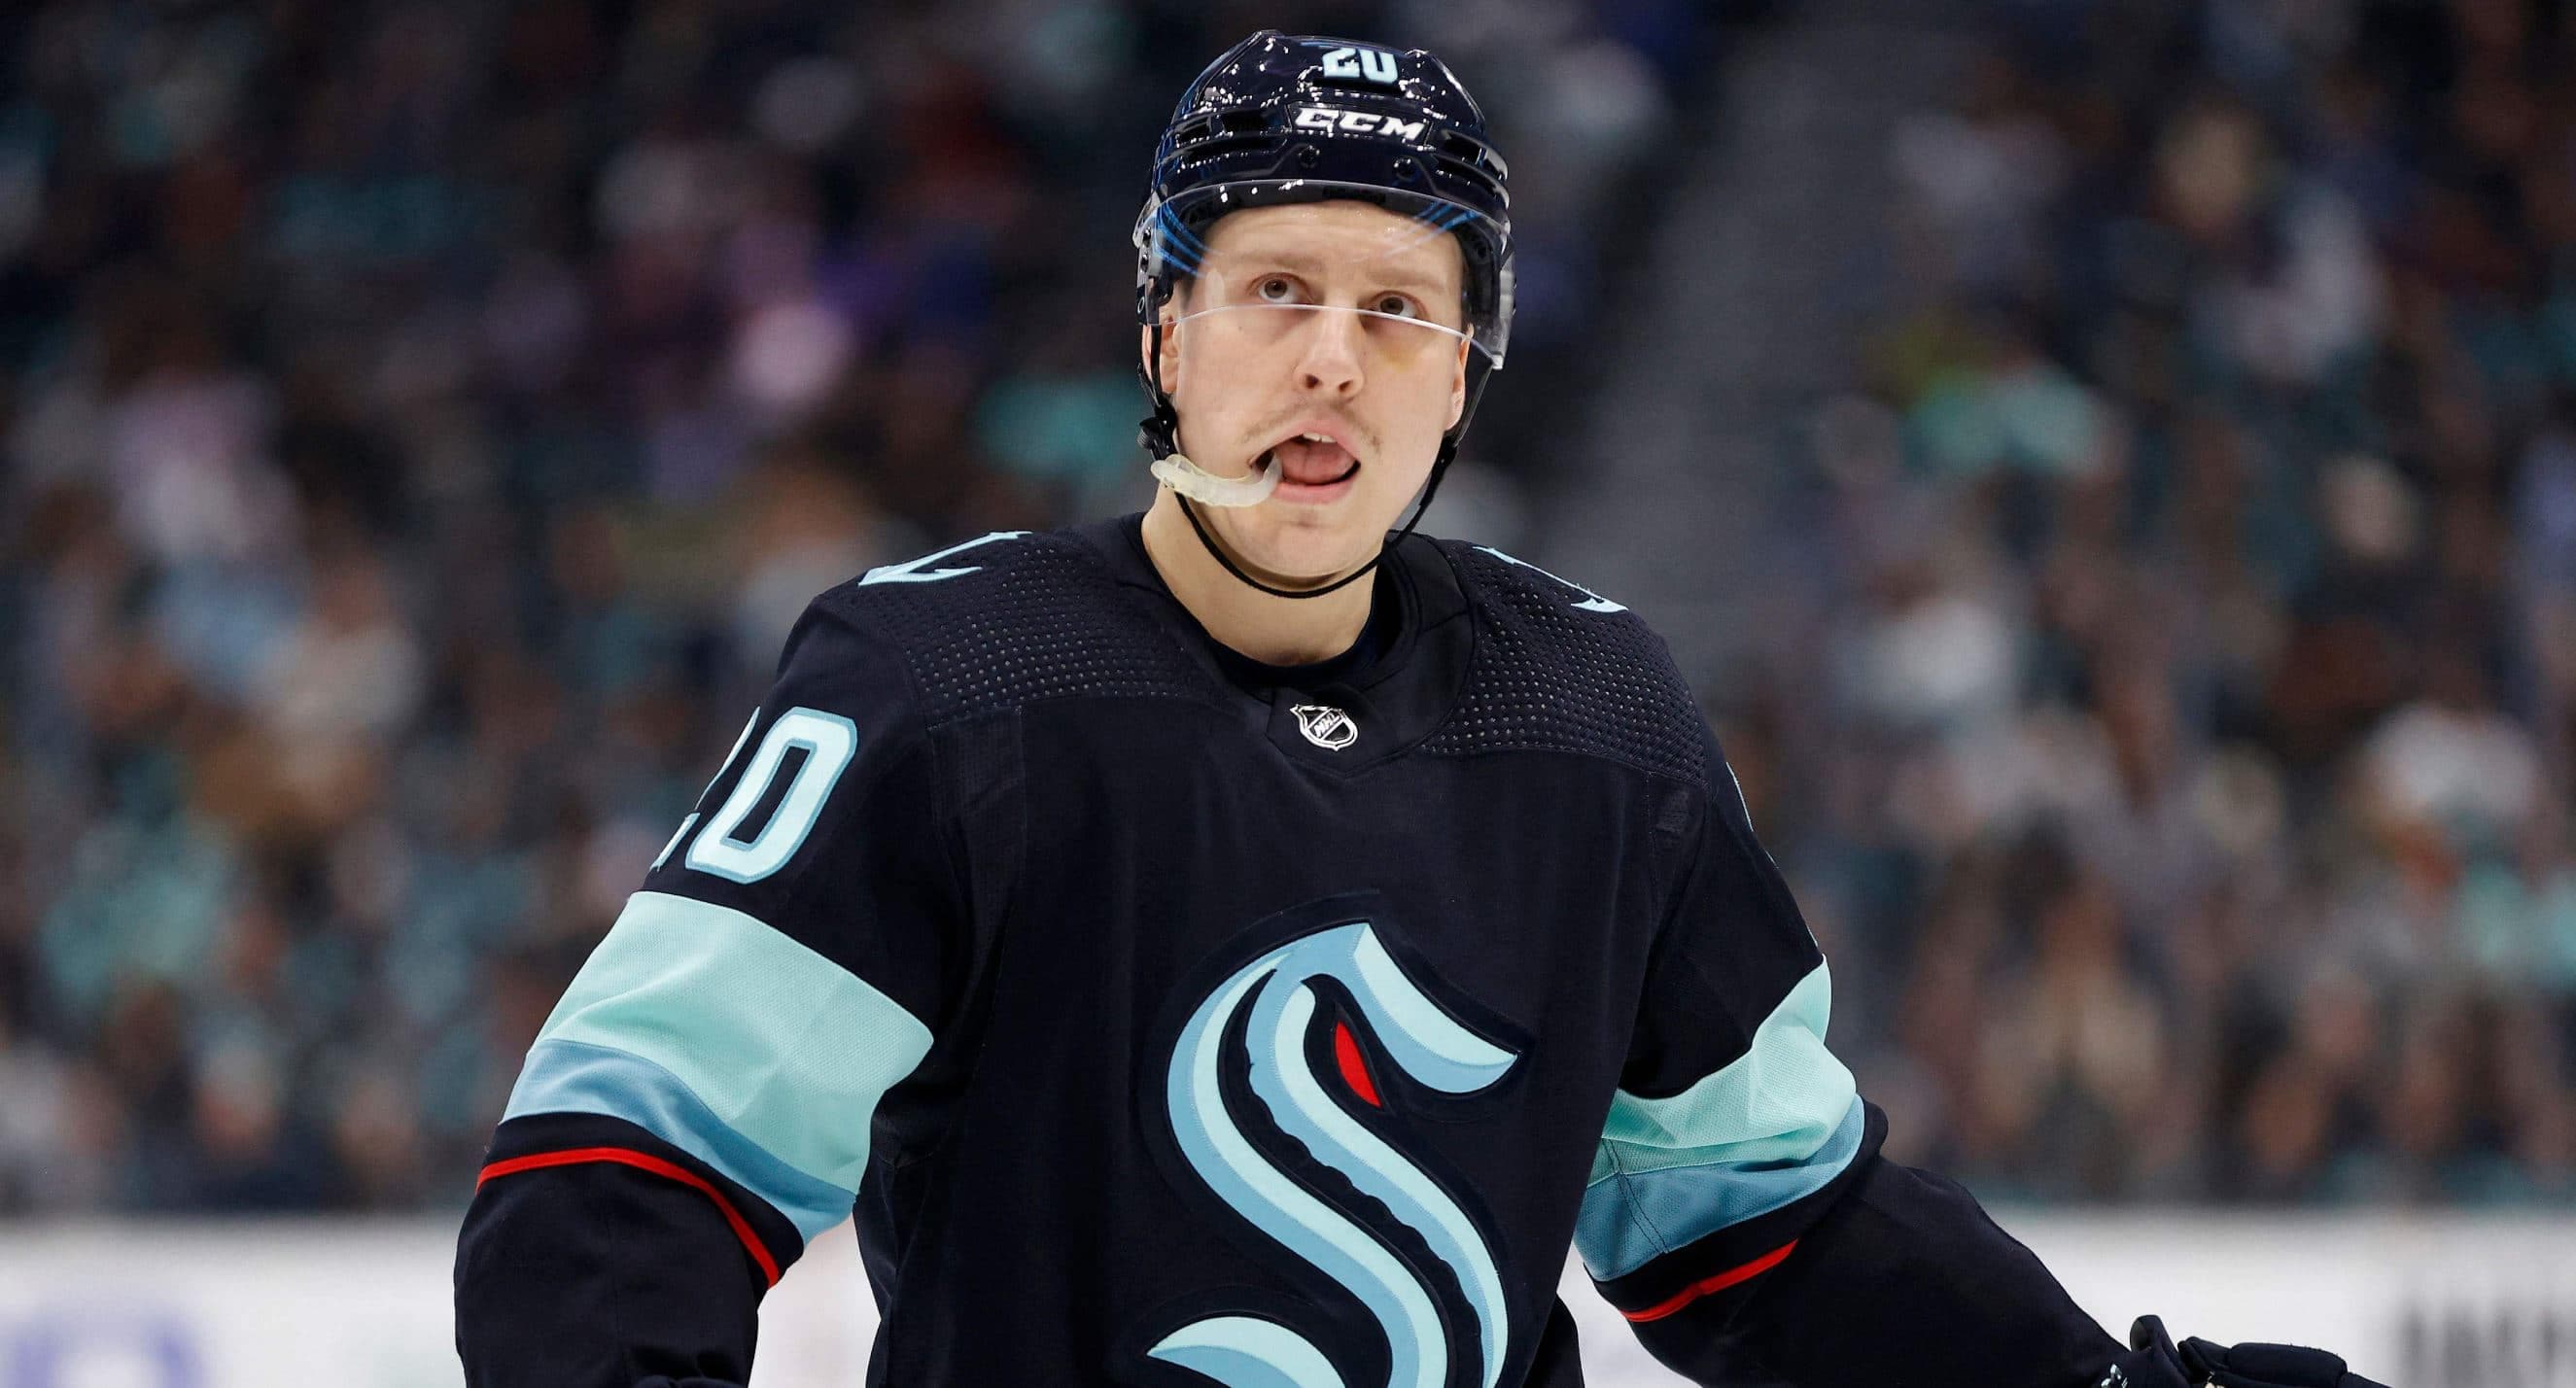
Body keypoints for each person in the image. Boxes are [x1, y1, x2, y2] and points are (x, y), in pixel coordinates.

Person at [453, 31, 2385, 1388]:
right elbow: (624, 1170)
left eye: (1396, 308)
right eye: (1273, 289)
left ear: (1465, 375)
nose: (1330, 359)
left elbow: (1769, 1235)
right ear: (1163, 334)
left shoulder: (1594, 718)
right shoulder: (943, 685)